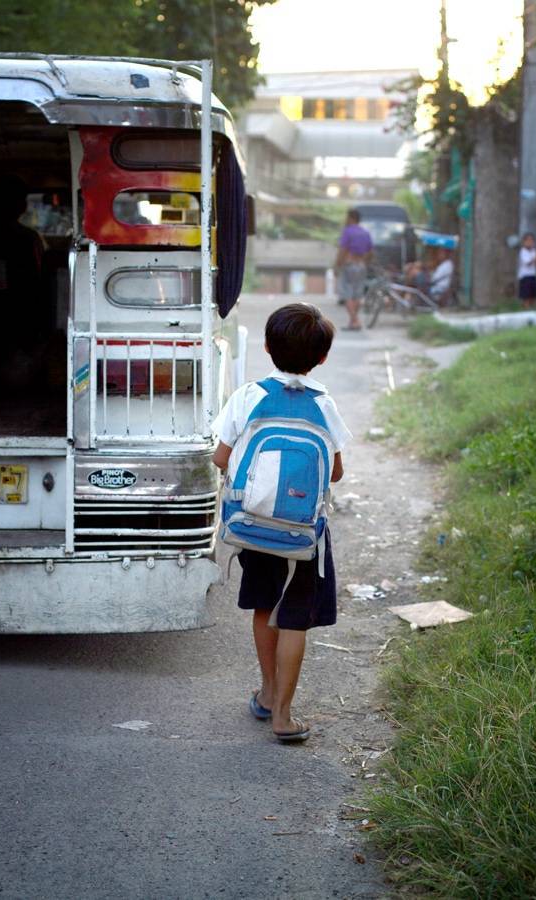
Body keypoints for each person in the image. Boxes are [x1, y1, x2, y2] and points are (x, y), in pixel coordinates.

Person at [212, 303, 351, 743]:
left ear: (268, 347)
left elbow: (221, 456)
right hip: (303, 535)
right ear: (322, 357)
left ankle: (268, 693)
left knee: (263, 607)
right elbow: (334, 472)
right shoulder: (323, 404)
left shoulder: (249, 396)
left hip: (253, 525)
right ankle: (284, 717)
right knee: (294, 619)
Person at [335, 208, 373, 331]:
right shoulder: (365, 232)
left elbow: (343, 250)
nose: (345, 220)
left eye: (347, 217)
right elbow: (371, 252)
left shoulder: (347, 231)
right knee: (357, 295)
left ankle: (355, 320)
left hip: (349, 264)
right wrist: (363, 261)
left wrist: (338, 265)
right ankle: (352, 322)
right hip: (361, 265)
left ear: (351, 218)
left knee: (347, 294)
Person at [517, 232, 536, 308]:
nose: (530, 242)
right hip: (525, 276)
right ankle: (525, 308)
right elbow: (528, 263)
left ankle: (531, 309)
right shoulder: (523, 251)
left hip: (532, 274)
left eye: (531, 240)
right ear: (524, 242)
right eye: (528, 240)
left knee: (533, 294)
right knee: (526, 295)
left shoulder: (534, 251)